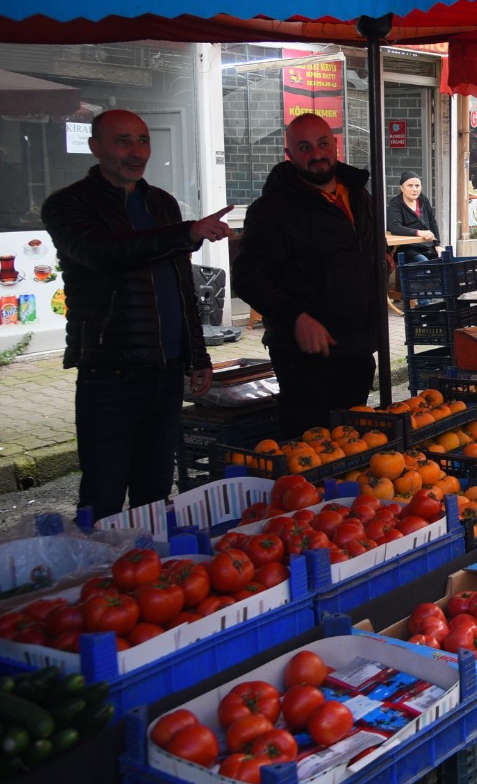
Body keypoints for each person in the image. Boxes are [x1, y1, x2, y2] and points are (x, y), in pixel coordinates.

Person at [43, 109, 234, 519]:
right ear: (95, 147)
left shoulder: (160, 203)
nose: (136, 152)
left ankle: (146, 572)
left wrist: (197, 354)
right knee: (103, 493)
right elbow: (105, 253)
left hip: (165, 372)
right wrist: (186, 233)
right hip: (109, 373)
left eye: (143, 140)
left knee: (154, 489)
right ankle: (96, 576)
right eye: (123, 140)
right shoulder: (67, 205)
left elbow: (182, 283)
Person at [233, 113, 386, 440]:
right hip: (304, 357)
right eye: (304, 147)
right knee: (309, 448)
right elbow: (248, 277)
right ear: (289, 155)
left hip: (357, 346)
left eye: (322, 143)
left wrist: (381, 262)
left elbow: (368, 245)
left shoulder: (357, 192)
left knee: (353, 444)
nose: (316, 154)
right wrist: (295, 317)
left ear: (335, 145)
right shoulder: (272, 209)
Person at [386, 170, 440, 262]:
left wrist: (437, 245)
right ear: (402, 188)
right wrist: (418, 232)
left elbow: (433, 223)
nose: (414, 189)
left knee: (445, 262)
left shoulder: (423, 200)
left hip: (427, 247)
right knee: (424, 264)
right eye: (410, 186)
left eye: (417, 186)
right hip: (405, 249)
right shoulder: (395, 204)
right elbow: (395, 227)